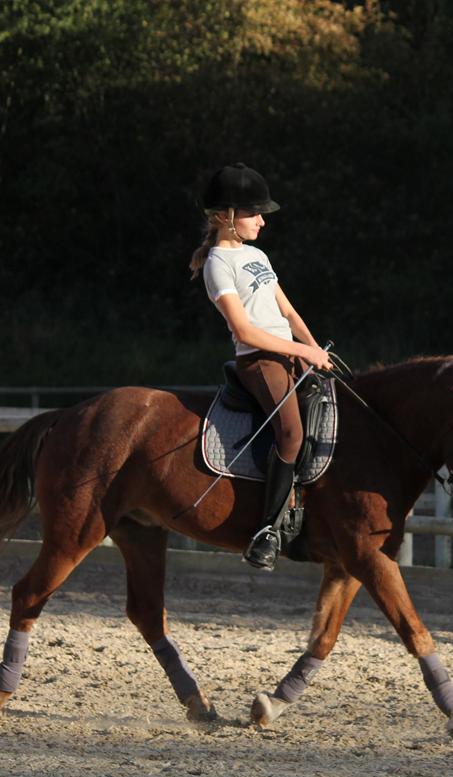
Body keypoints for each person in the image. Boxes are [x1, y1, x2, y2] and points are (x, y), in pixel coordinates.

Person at [190, 162, 332, 571]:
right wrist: (301, 353)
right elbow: (244, 330)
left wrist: (314, 348)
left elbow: (287, 311)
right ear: (225, 217)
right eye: (253, 214)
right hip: (259, 361)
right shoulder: (219, 263)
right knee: (290, 433)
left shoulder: (257, 254)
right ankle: (267, 531)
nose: (261, 222)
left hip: (290, 352)